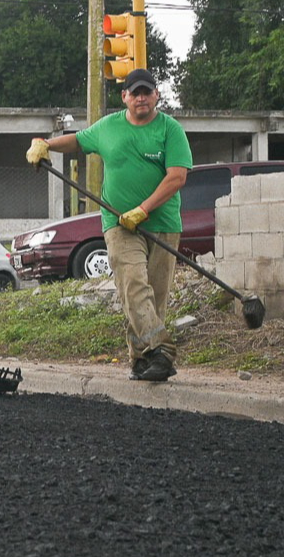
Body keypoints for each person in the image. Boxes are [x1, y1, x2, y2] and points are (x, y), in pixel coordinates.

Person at [27, 68, 191, 382]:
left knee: (153, 296)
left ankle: (142, 358)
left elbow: (177, 177)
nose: (141, 98)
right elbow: (76, 141)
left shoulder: (170, 130)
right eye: (135, 93)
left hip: (163, 222)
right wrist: (45, 145)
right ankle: (163, 349)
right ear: (124, 97)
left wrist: (143, 209)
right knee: (132, 284)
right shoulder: (108, 128)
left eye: (147, 92)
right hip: (118, 223)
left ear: (156, 95)